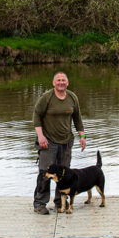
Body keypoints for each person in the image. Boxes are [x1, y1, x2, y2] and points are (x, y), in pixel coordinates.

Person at [32, 71, 87, 214]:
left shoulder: (72, 97)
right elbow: (36, 116)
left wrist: (82, 136)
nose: (61, 82)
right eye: (58, 80)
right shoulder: (46, 98)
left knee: (64, 173)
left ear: (67, 83)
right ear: (53, 83)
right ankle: (40, 204)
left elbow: (78, 118)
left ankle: (59, 202)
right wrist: (40, 136)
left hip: (66, 141)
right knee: (45, 173)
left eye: (63, 80)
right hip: (48, 142)